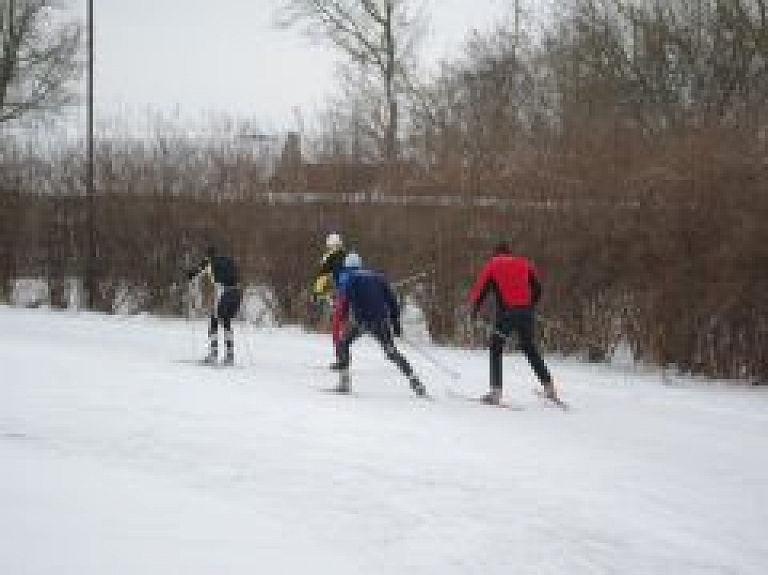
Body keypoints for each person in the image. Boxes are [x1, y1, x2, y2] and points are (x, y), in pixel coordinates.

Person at [467, 242, 558, 405]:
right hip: (526, 313)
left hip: (507, 314)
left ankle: (495, 392)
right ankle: (549, 387)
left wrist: (474, 310)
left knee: (496, 347)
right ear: (510, 253)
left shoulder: (493, 265)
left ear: (496, 254)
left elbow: (480, 289)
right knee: (529, 348)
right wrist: (530, 307)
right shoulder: (524, 263)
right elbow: (538, 288)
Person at [333, 252, 427, 397]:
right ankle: (415, 381)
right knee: (391, 352)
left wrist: (343, 317)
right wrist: (395, 324)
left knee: (343, 343)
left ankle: (344, 382)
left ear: (347, 266)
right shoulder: (378, 277)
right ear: (360, 264)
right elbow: (392, 301)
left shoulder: (349, 278)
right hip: (381, 321)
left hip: (362, 321)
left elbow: (345, 300)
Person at [187, 244, 242, 365]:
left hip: (224, 294)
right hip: (237, 293)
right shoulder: (227, 260)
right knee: (226, 321)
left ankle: (213, 354)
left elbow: (194, 274)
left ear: (208, 255)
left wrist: (189, 275)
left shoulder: (208, 263)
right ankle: (230, 355)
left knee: (214, 321)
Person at [311, 232, 348, 369]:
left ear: (329, 245)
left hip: (342, 294)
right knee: (343, 325)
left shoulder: (329, 257)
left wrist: (317, 292)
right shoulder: (348, 256)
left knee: (336, 326)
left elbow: (322, 277)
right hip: (352, 294)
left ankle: (342, 358)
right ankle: (344, 355)